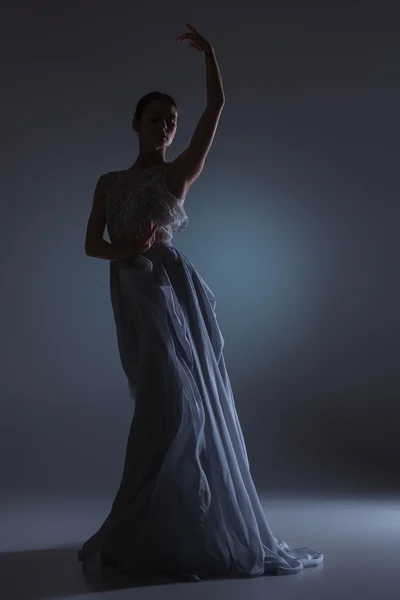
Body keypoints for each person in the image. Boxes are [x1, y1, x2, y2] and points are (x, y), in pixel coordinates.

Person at [79, 24, 324, 581]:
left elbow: (216, 107)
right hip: (129, 289)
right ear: (136, 123)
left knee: (179, 400)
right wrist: (125, 247)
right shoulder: (110, 181)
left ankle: (181, 527)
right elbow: (91, 244)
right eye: (156, 117)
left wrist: (211, 55)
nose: (166, 126)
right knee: (153, 403)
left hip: (167, 290)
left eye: (171, 120)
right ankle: (143, 523)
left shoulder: (177, 173)